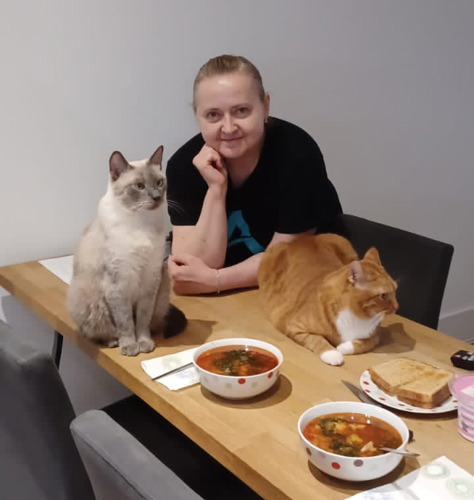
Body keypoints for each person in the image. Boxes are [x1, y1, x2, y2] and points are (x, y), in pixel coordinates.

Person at [166, 54, 342, 295]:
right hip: (233, 298)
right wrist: (216, 190)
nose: (228, 128)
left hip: (309, 286)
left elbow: (285, 259)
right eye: (213, 115)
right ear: (197, 116)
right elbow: (192, 271)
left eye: (241, 111)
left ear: (265, 106)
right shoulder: (183, 166)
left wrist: (217, 280)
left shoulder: (298, 153)